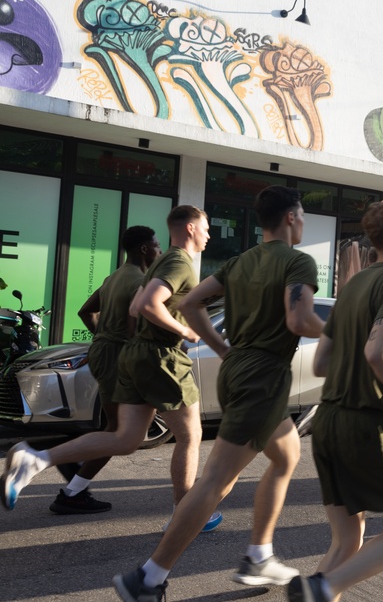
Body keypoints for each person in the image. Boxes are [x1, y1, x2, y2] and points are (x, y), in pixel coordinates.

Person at [111, 187, 326, 601]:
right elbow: (299, 318)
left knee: (287, 456)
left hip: (243, 372)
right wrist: (343, 330)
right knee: (215, 481)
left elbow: (191, 303)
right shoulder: (298, 261)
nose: (301, 224)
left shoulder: (240, 260)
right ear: (290, 219)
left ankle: (259, 553)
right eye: (300, 217)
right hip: (263, 377)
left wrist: (222, 348)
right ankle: (148, 578)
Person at [2, 206, 213, 526]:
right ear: (190, 229)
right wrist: (184, 331)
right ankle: (184, 515)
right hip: (159, 357)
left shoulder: (151, 267)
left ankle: (36, 459)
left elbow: (133, 306)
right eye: (206, 228)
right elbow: (144, 305)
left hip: (135, 356)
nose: (209, 235)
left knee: (125, 438)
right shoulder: (179, 261)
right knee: (190, 434)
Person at [287, 198, 383, 602]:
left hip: (329, 423)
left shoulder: (353, 286)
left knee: (347, 539)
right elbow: (379, 352)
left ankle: (318, 589)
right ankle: (324, 585)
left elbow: (321, 362)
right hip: (370, 427)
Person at [48, 226, 161, 515]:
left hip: (103, 352)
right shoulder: (140, 281)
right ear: (145, 249)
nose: (160, 250)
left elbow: (86, 311)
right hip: (116, 356)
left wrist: (102, 338)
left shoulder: (113, 277)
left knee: (119, 429)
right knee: (119, 432)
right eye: (157, 245)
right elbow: (139, 328)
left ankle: (73, 472)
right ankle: (70, 481)